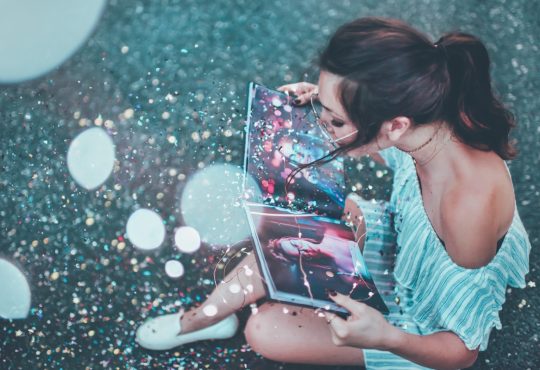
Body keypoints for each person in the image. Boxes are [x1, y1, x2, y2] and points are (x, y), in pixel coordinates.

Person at [135, 17, 531, 369]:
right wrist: (324, 100)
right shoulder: (430, 119)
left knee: (264, 329)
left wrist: (385, 337)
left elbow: (462, 351)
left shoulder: (466, 212)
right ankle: (202, 317)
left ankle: (214, 315)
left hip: (419, 324)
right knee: (293, 231)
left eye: (334, 119)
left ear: (394, 125)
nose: (320, 125)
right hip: (400, 238)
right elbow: (392, 152)